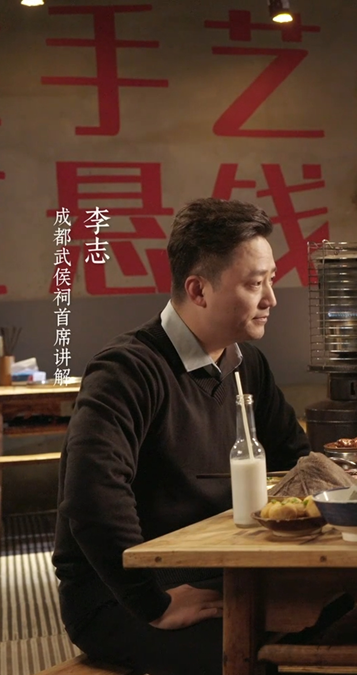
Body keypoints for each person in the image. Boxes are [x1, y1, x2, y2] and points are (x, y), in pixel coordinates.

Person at [52, 198, 310, 675]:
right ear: (198, 289)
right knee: (269, 661)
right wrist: (153, 602)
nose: (271, 298)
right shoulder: (127, 370)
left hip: (219, 567)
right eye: (255, 283)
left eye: (271, 279)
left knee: (349, 615)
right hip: (123, 595)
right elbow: (91, 494)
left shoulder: (246, 364)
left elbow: (297, 460)